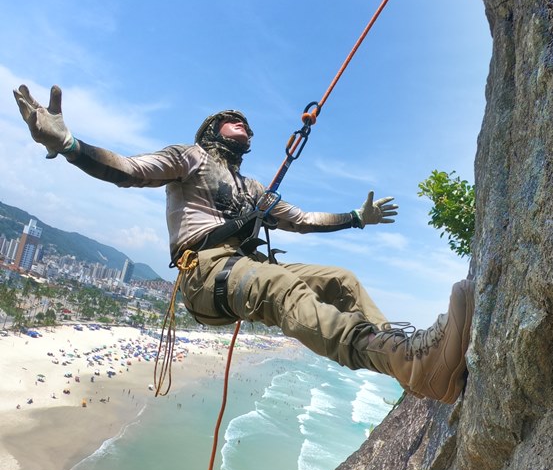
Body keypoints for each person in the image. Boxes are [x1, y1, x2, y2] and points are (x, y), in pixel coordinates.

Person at [13, 84, 473, 403]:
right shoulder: (188, 159)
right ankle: (412, 365)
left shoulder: (252, 189)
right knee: (280, 287)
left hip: (240, 266)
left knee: (341, 281)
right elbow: (128, 170)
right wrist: (70, 144)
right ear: (212, 129)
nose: (246, 127)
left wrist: (355, 217)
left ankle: (405, 359)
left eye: (249, 127)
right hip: (205, 273)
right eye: (236, 122)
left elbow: (303, 220)